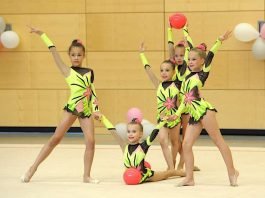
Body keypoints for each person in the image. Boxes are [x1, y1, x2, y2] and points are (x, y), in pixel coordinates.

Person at [21, 26, 101, 184]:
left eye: (79, 55)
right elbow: (53, 51)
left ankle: (86, 176)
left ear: (84, 55)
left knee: (91, 141)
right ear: (69, 56)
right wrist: (42, 34)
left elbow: (92, 92)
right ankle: (32, 168)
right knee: (56, 138)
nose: (76, 57)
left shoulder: (89, 72)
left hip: (85, 110)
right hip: (72, 108)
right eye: (73, 55)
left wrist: (96, 110)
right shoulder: (67, 71)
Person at [169, 30, 239, 186]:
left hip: (204, 111)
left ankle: (232, 171)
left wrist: (218, 40)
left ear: (202, 61)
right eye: (189, 59)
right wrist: (177, 114)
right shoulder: (186, 75)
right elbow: (185, 100)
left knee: (218, 141)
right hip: (193, 114)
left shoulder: (202, 74)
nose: (191, 61)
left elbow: (211, 55)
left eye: (194, 59)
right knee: (186, 145)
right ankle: (189, 178)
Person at [99, 115, 185, 183]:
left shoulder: (143, 146)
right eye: (128, 131)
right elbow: (113, 132)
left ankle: (185, 173)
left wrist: (162, 122)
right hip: (131, 176)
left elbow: (154, 133)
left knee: (168, 173)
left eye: (134, 131)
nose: (130, 134)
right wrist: (103, 119)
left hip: (146, 176)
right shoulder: (124, 146)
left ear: (140, 134)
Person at [139, 43, 181, 171]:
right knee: (162, 140)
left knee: (175, 142)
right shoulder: (158, 84)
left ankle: (172, 164)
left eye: (167, 70)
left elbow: (182, 103)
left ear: (174, 71)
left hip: (174, 118)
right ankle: (170, 167)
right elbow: (148, 70)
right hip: (162, 119)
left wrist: (177, 114)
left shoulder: (178, 84)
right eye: (162, 70)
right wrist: (142, 55)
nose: (163, 73)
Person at [167, 23, 200, 171]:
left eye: (182, 55)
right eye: (176, 56)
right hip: (175, 107)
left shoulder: (187, 67)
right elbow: (170, 48)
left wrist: (185, 30)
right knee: (175, 139)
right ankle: (178, 164)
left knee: (187, 138)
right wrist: (169, 30)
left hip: (186, 107)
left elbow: (191, 48)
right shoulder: (174, 68)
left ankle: (183, 165)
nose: (179, 58)